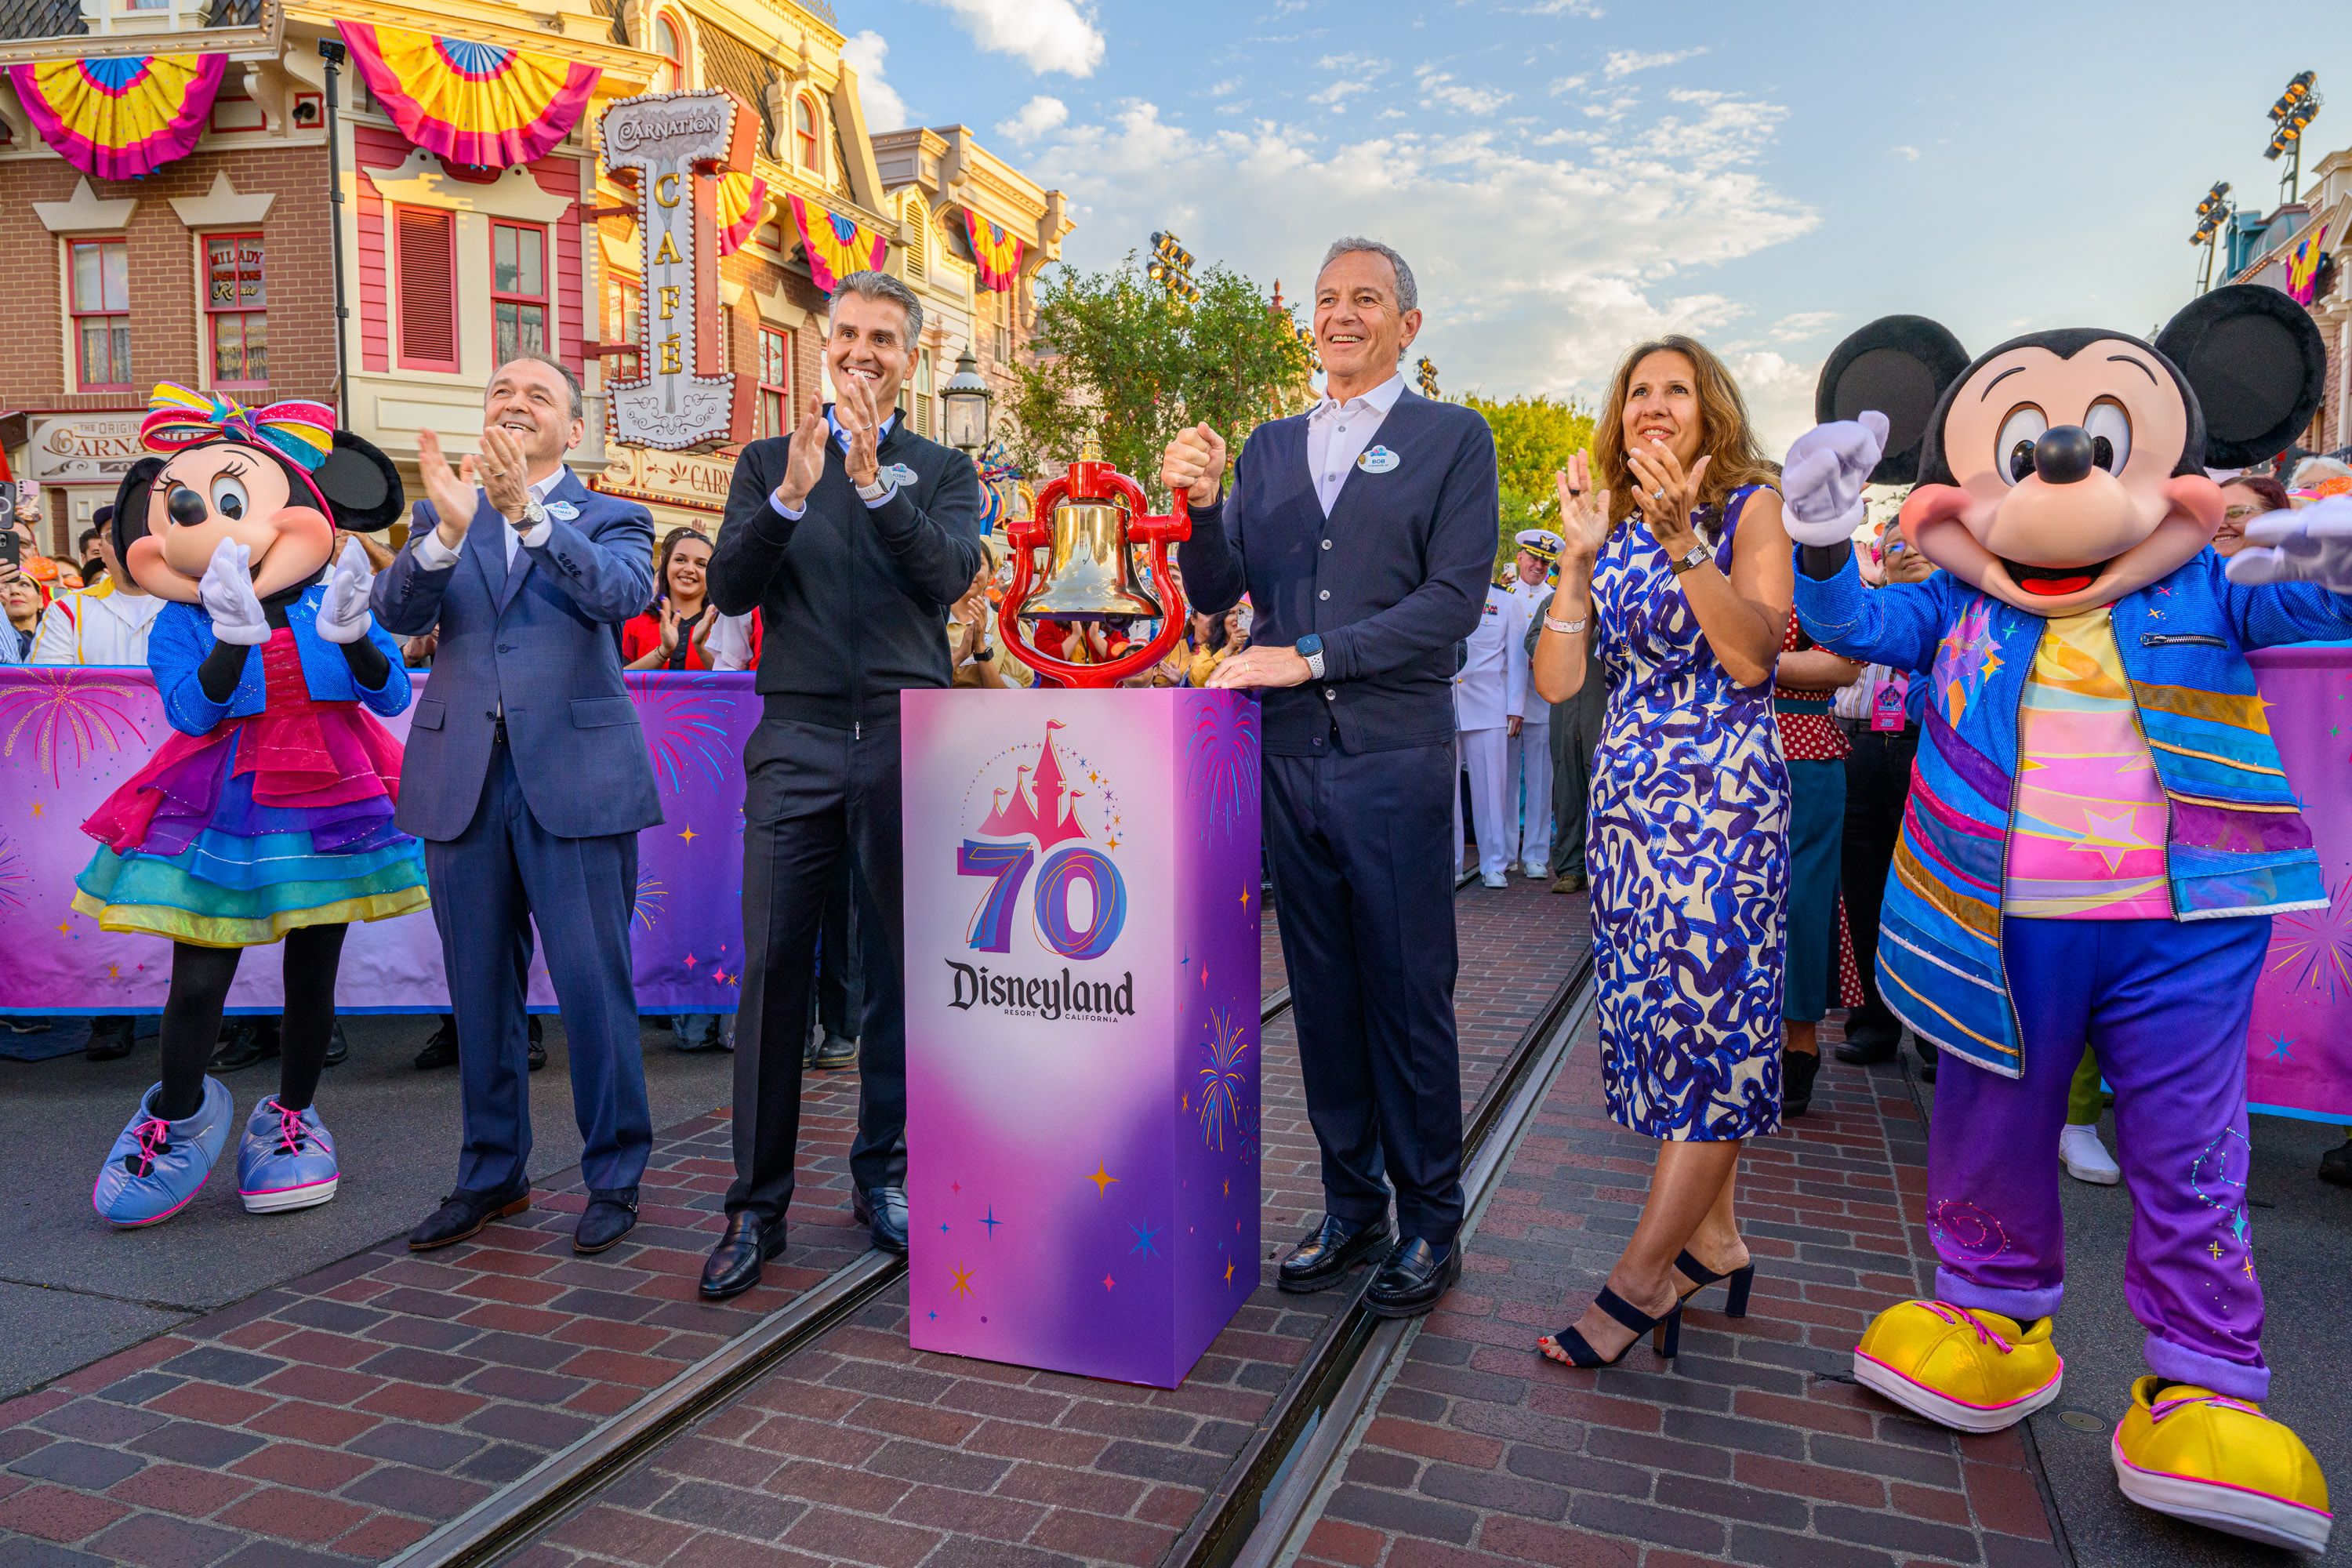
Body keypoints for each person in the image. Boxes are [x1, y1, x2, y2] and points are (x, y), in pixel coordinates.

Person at [1161, 237, 1498, 1320]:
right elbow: (1220, 591)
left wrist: (1313, 657)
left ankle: (1430, 1222)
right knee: (1323, 998)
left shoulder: (1454, 439)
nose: (1341, 316)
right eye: (1326, 301)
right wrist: (1202, 509)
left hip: (1394, 757)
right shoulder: (1267, 446)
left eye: (1366, 300)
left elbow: (1450, 604)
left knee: (1408, 998)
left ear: (1408, 324)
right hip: (1292, 761)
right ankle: (1352, 1207)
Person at [74, 385, 420, 1225]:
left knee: (312, 974)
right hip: (221, 801)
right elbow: (192, 710)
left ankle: (293, 1116)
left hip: (328, 799)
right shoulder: (179, 619)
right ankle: (178, 1112)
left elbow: (390, 691)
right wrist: (231, 642)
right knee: (198, 982)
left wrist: (356, 639)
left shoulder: (328, 598)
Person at [702, 270, 982, 1298]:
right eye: (850, 334)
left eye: (884, 339)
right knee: (775, 966)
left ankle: (886, 1175)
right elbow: (729, 586)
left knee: (902, 970)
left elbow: (948, 578)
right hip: (801, 734)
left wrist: (872, 483)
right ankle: (755, 1206)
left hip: (914, 734)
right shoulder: (769, 459)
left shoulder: (945, 468)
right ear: (829, 344)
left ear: (911, 355)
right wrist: (791, 495)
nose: (864, 352)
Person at [1527, 336, 1792, 1367]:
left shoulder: (1745, 507)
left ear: (1710, 408)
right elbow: (1557, 686)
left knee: (1713, 1033)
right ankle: (1715, 1242)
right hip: (1632, 812)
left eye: (1674, 389)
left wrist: (1690, 545)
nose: (1653, 405)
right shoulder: (1615, 522)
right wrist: (1579, 562)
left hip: (1722, 809)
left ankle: (1639, 1281)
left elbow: (1752, 654)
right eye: (1638, 391)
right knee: (1665, 1027)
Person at [372, 352, 661, 1259]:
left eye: (539, 394)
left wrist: (526, 515)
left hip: (574, 781)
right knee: (481, 994)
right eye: (501, 391)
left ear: (574, 429)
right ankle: (492, 1172)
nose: (515, 402)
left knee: (592, 987)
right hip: (463, 782)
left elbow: (622, 596)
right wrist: (449, 534)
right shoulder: (439, 511)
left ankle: (614, 1174)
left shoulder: (615, 514)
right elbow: (392, 611)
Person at [28, 506, 169, 1062]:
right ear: (99, 549)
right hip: (99, 775)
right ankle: (111, 1012)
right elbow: (47, 690)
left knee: (189, 890)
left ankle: (223, 1015)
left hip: (181, 769)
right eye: (115, 536)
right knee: (105, 891)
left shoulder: (192, 605)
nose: (127, 543)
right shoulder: (70, 610)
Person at [1833, 521, 1935, 1080]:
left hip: (1930, 753)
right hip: (1863, 748)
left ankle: (1935, 1037)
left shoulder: (1956, 616)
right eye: (1898, 542)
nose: (1912, 549)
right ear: (1881, 558)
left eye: (1924, 539)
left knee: (1928, 894)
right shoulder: (1862, 615)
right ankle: (1870, 1025)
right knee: (1862, 890)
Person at [1773, 611, 1860, 1116]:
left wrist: (1734, 651)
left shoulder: (1820, 571)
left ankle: (1800, 1042)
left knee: (1803, 899)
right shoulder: (1707, 559)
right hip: (1718, 746)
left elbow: (1843, 668)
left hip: (1803, 752)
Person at [1454, 577, 1527, 889]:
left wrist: (1516, 706)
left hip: (1488, 707)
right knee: (1444, 793)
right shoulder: (1441, 592)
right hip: (1442, 706)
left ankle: (1494, 863)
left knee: (1491, 791)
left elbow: (1517, 658)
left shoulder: (1505, 602)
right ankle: (1451, 862)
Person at [1504, 528, 1562, 877]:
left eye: (1545, 561)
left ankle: (1536, 854)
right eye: (1533, 558)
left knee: (1541, 780)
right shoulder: (1502, 596)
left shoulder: (1557, 599)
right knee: (1507, 781)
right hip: (1506, 702)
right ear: (1520, 558)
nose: (1538, 565)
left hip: (1542, 699)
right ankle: (1507, 851)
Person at [624, 528, 743, 672]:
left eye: (701, 564)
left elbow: (739, 687)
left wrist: (701, 647)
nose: (689, 569)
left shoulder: (725, 624)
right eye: (680, 560)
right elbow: (617, 682)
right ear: (665, 565)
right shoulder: (635, 620)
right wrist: (663, 651)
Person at [2213, 474, 2288, 557]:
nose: (2219, 525)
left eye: (2236, 512)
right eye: (2214, 516)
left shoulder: (2299, 568)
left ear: (2275, 519)